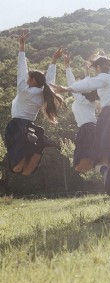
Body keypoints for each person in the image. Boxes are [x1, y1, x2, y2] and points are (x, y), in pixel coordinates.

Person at [53, 56, 110, 200]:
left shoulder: (105, 78)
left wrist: (67, 88)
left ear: (99, 67)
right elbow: (90, 82)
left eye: (95, 69)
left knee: (98, 160)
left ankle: (105, 172)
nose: (96, 73)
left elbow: (89, 83)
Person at [4, 31, 64, 176]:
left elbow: (21, 69)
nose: (25, 78)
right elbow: (49, 82)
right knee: (25, 172)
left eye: (28, 77)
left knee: (17, 169)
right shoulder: (43, 93)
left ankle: (33, 147)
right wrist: (54, 60)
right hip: (30, 126)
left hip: (17, 126)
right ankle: (37, 147)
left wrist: (22, 46)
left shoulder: (24, 90)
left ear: (31, 81)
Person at [64, 54, 98, 173]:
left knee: (79, 166)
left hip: (86, 129)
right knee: (87, 163)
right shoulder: (89, 99)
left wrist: (67, 66)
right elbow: (88, 85)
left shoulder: (80, 98)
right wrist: (86, 70)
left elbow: (71, 82)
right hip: (93, 128)